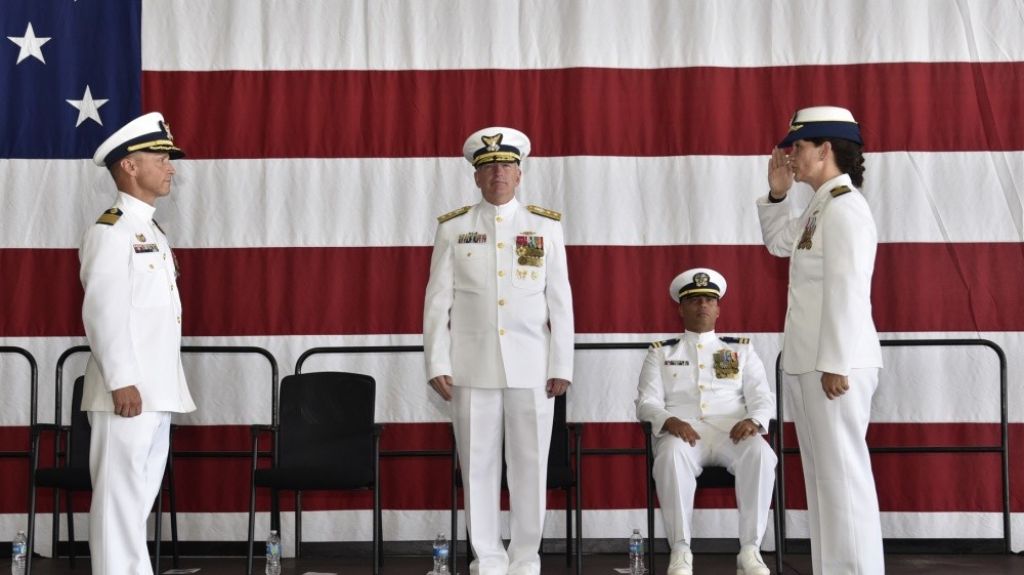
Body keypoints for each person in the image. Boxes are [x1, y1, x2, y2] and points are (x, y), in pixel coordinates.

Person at [423, 126, 574, 575]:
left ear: (520, 173)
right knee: (479, 468)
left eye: (506, 166)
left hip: (532, 367)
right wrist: (437, 361)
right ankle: (487, 557)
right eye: (489, 168)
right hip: (472, 367)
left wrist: (562, 361)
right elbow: (437, 301)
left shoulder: (545, 226)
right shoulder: (454, 228)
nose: (498, 175)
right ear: (475, 176)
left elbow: (560, 300)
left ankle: (526, 557)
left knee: (530, 468)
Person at [757, 106, 885, 573]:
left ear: (826, 149)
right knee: (825, 482)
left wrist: (835, 362)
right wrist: (776, 195)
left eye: (799, 146)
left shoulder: (846, 208)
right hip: (812, 361)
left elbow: (848, 290)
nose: (791, 155)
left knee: (843, 481)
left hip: (835, 364)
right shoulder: (821, 205)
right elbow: (778, 245)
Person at [80, 112, 196, 574]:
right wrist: (122, 380)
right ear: (129, 165)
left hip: (155, 390)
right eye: (161, 157)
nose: (170, 167)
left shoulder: (150, 231)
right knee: (117, 506)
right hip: (126, 392)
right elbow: (102, 312)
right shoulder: (112, 230)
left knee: (135, 503)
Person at [635, 268, 776, 575]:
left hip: (732, 432)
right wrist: (669, 420)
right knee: (670, 456)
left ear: (718, 308)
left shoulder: (740, 349)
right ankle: (681, 551)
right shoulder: (661, 352)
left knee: (763, 454)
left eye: (709, 300)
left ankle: (750, 550)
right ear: (681, 308)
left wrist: (755, 419)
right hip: (683, 433)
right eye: (695, 300)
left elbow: (763, 396)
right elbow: (646, 402)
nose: (702, 305)